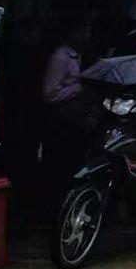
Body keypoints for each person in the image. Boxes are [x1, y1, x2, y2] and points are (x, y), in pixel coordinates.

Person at [40, 17, 92, 215]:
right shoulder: (60, 57)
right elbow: (49, 92)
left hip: (74, 121)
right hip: (61, 120)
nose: (87, 36)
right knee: (59, 165)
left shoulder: (77, 56)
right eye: (84, 31)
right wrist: (78, 89)